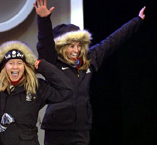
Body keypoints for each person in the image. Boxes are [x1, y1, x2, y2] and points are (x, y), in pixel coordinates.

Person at [33, 0, 146, 144]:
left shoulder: (89, 59)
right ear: (61, 47)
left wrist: (136, 21)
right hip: (57, 128)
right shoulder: (53, 63)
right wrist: (43, 20)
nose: (76, 50)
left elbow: (112, 41)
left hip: (81, 128)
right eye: (71, 46)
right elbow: (45, 43)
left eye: (79, 46)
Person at [0, 40, 73, 145]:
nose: (15, 67)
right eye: (11, 63)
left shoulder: (36, 86)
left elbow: (65, 90)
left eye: (19, 63)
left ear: (25, 66)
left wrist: (44, 67)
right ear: (3, 67)